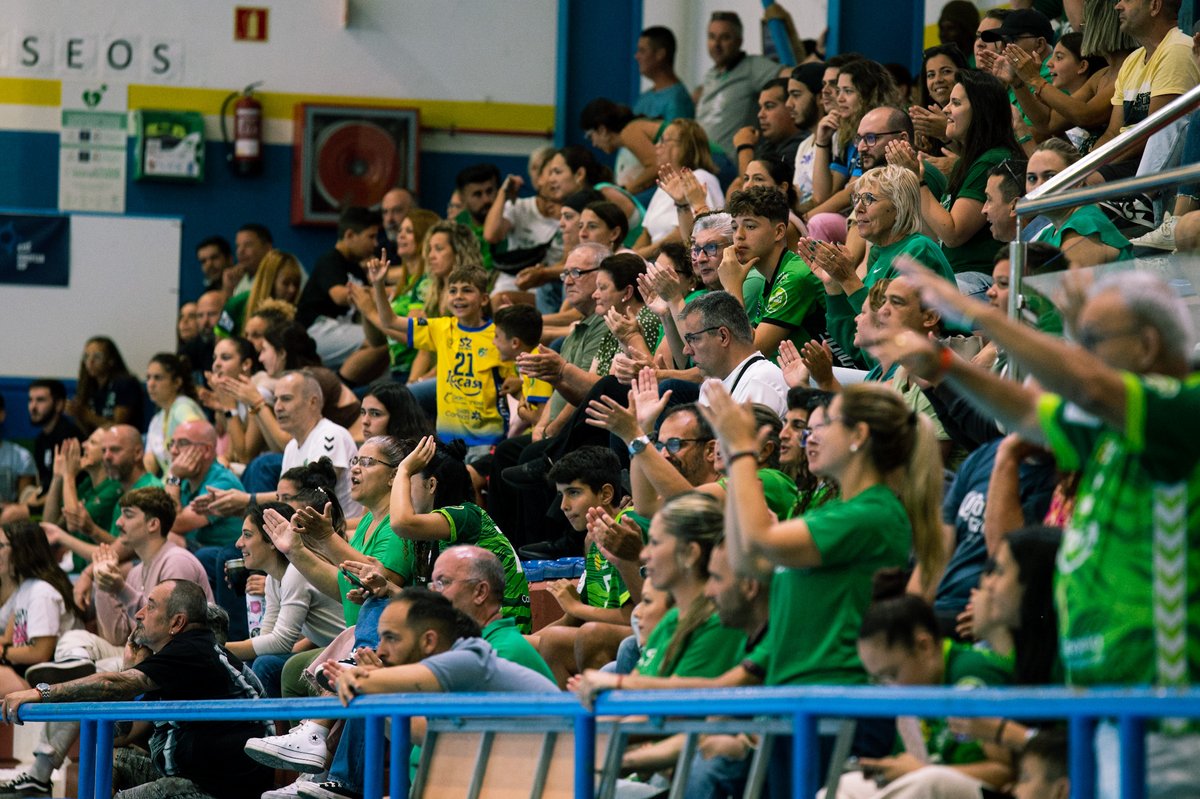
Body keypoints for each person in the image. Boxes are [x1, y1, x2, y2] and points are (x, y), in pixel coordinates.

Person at [869, 264, 1200, 796]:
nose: (1078, 352)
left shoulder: (1184, 410)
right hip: (1105, 707)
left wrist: (976, 314)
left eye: (1092, 338)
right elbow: (1025, 411)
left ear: (1146, 345)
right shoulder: (1109, 432)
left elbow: (1088, 386)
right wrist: (946, 365)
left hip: (1168, 715)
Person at [1, 580, 272, 799]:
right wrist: (129, 669)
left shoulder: (193, 650)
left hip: (222, 786)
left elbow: (109, 686)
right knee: (109, 761)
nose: (138, 614)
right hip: (191, 774)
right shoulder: (170, 660)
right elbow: (119, 734)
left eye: (150, 607)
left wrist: (41, 693)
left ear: (177, 623)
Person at [299, 589, 558, 799]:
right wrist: (373, 695)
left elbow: (362, 680)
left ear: (429, 641)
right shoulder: (446, 684)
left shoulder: (470, 659)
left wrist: (360, 679)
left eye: (391, 638)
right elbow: (419, 732)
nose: (381, 651)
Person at [843, 593, 1012, 797]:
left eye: (893, 674)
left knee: (929, 781)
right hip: (932, 782)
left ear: (924, 646)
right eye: (880, 680)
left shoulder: (972, 672)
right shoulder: (910, 692)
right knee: (846, 786)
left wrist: (920, 771)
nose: (890, 688)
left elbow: (1005, 772)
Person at [888, 69, 1019, 291]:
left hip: (981, 278)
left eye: (956, 103)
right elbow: (937, 234)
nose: (946, 109)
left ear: (980, 111)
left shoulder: (993, 160)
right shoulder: (966, 162)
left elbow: (953, 233)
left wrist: (919, 181)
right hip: (955, 275)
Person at [369, 261, 510, 456]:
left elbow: (513, 384)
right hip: (447, 441)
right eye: (452, 291)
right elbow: (389, 321)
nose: (458, 296)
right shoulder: (441, 328)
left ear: (484, 299)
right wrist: (378, 284)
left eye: (467, 290)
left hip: (487, 439)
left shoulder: (497, 336)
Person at [391, 437, 531, 633]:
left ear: (431, 485)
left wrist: (404, 470)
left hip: (500, 636)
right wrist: (388, 588)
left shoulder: (466, 515)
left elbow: (400, 523)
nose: (399, 491)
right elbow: (430, 604)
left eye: (407, 482)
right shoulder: (433, 532)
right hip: (470, 632)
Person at [533, 447, 640, 686]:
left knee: (591, 634)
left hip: (642, 634)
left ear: (606, 494)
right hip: (599, 633)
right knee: (549, 642)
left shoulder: (627, 528)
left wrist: (576, 607)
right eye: (561, 494)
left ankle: (597, 707)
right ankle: (572, 709)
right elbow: (572, 618)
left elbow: (635, 615)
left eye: (573, 492)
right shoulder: (591, 539)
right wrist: (518, 642)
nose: (563, 505)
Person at [198, 371, 360, 518]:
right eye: (275, 400)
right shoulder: (291, 447)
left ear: (313, 402)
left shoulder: (331, 435)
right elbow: (286, 500)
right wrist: (233, 507)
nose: (277, 407)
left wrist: (248, 500)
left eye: (286, 399)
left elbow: (313, 495)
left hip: (341, 533)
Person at [223, 502, 344, 697]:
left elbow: (281, 642)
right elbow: (266, 637)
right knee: (255, 660)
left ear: (272, 540)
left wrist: (220, 648)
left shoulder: (296, 572)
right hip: (331, 649)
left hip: (350, 650)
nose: (238, 543)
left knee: (266, 665)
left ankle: (271, 718)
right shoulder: (273, 579)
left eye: (247, 535)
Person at [1088, 0, 1200, 181]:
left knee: (1090, 181)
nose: (1117, 6)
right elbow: (1112, 133)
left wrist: (1093, 169)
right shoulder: (1132, 60)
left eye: (1127, 0)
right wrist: (1084, 165)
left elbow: (1153, 133)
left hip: (1151, 163)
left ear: (1154, 6)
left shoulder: (1177, 50)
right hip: (1126, 156)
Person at [724, 186, 825, 356]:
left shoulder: (795, 277)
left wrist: (732, 287)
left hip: (846, 370)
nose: (739, 235)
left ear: (778, 232)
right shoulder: (770, 277)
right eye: (734, 227)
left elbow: (750, 351)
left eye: (750, 226)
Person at [428, 546, 553, 680]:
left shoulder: (499, 654)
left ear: (480, 592)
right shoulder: (484, 643)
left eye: (443, 582)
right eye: (433, 584)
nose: (432, 592)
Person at [0, 521, 83, 696]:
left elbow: (40, 653)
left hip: (49, 679)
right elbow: (7, 639)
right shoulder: (25, 587)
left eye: (2, 546)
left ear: (21, 550)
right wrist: (4, 649)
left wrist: (4, 652)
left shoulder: (42, 592)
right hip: (28, 672)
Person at [295, 206, 382, 369]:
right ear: (349, 235)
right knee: (379, 341)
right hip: (314, 329)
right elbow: (339, 296)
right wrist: (382, 291)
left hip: (340, 328)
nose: (375, 243)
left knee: (382, 338)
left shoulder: (356, 268)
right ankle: (345, 382)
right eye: (371, 237)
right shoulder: (330, 260)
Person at [678, 290, 789, 417]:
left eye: (693, 339)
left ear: (723, 336)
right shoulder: (711, 385)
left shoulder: (761, 383)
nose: (686, 351)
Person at [1025, 138, 1133, 265]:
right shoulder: (1047, 234)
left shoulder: (1083, 225)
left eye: (1050, 176)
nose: (1039, 186)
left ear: (1078, 181)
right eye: (1032, 178)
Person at [694, 10, 783, 160]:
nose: (716, 44)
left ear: (739, 41)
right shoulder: (711, 75)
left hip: (728, 162)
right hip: (700, 159)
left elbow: (793, 75)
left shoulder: (752, 67)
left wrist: (817, 54)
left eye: (724, 38)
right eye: (712, 37)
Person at [636, 120, 724, 252]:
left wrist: (641, 254)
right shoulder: (666, 185)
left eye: (664, 140)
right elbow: (646, 233)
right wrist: (629, 255)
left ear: (685, 146)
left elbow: (691, 234)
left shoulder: (699, 177)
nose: (657, 146)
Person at [726, 78, 808, 201]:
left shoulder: (800, 146)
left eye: (769, 106)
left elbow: (750, 197)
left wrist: (744, 147)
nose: (760, 114)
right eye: (761, 107)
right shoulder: (768, 146)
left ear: (790, 107)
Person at [580, 98, 665, 195]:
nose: (593, 144)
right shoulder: (628, 136)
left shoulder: (628, 133)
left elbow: (657, 166)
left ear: (602, 130)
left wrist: (625, 191)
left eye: (590, 136)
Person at [142, 353, 205, 478]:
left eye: (158, 378)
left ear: (177, 382)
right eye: (148, 378)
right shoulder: (156, 420)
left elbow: (198, 450)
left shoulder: (183, 407)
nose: (150, 384)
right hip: (171, 482)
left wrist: (171, 483)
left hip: (190, 481)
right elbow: (149, 466)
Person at [68, 336, 143, 434]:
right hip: (95, 439)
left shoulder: (125, 383)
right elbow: (86, 431)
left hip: (122, 439)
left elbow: (117, 428)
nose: (90, 362)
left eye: (97, 357)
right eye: (86, 356)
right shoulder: (88, 385)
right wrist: (77, 414)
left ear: (111, 360)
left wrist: (86, 414)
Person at [27, 380, 83, 506]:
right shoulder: (41, 439)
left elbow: (72, 485)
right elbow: (43, 482)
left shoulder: (69, 437)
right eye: (30, 400)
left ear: (59, 404)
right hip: (48, 498)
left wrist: (32, 505)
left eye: (40, 400)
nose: (33, 407)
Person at [225, 249, 303, 336]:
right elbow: (220, 335)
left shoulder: (298, 312)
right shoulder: (235, 304)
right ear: (270, 282)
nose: (292, 290)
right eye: (286, 283)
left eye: (296, 284)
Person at [634, 26, 694, 123]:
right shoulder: (645, 97)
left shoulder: (677, 101)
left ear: (660, 54)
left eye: (642, 51)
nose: (636, 56)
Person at [451, 163, 502, 270]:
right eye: (477, 194)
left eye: (490, 191)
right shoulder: (455, 228)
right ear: (462, 199)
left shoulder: (510, 221)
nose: (486, 200)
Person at [356, 381, 433, 443]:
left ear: (398, 418)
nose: (365, 421)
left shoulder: (422, 455)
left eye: (375, 414)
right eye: (363, 412)